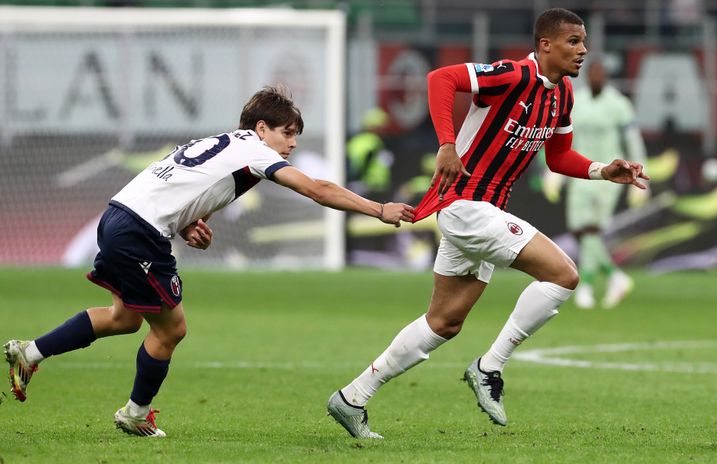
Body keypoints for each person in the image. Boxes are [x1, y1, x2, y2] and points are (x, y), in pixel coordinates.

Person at [4, 85, 414, 438]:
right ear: (261, 129)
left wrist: (188, 224)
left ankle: (32, 352)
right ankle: (134, 414)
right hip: (140, 233)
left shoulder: (223, 143)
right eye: (287, 134)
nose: (292, 144)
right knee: (171, 329)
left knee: (125, 319)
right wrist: (379, 210)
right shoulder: (255, 152)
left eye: (296, 136)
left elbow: (185, 186)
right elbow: (318, 189)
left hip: (119, 217)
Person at [327, 8, 648, 439]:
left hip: (481, 213)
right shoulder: (512, 75)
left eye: (584, 41)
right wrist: (446, 144)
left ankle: (352, 398)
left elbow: (558, 156)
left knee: (444, 323)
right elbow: (441, 78)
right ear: (546, 45)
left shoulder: (563, 95)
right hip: (466, 204)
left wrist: (602, 170)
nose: (583, 49)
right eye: (573, 41)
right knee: (563, 274)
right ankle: (489, 367)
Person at [565, 57, 648, 309]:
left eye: (601, 74)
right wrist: (553, 174)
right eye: (593, 73)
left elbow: (633, 140)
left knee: (592, 229)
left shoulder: (619, 105)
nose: (596, 77)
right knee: (579, 230)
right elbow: (565, 140)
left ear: (607, 77)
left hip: (608, 175)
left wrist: (639, 170)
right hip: (580, 173)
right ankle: (614, 276)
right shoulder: (575, 102)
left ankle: (586, 286)